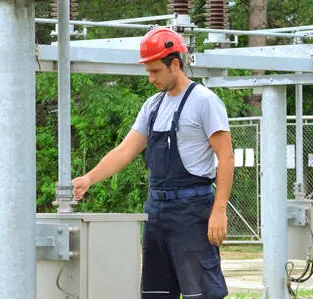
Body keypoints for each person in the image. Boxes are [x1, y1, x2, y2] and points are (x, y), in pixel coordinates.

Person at [71, 27, 234, 299]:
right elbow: (125, 151)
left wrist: (219, 210)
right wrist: (89, 178)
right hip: (156, 211)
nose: (150, 78)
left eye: (155, 71)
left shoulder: (204, 101)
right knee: (156, 293)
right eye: (147, 71)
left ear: (175, 64)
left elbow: (226, 157)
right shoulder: (153, 106)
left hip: (192, 211)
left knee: (201, 293)